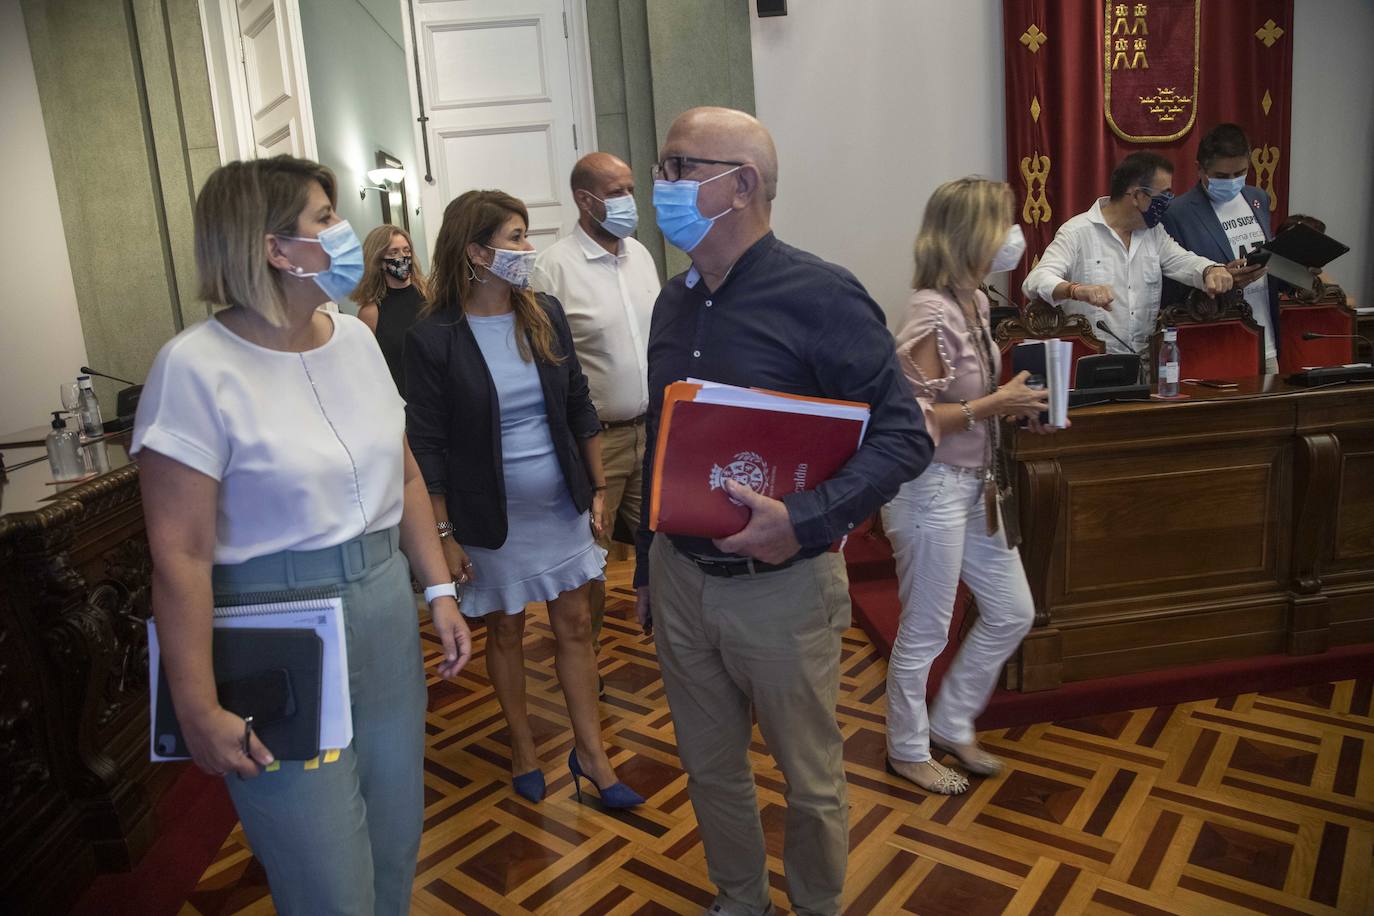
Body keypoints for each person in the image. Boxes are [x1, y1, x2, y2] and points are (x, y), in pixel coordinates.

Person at [133, 155, 472, 916]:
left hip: (382, 605)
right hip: (273, 621)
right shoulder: (194, 368)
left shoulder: (355, 340)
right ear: (274, 248)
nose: (345, 231)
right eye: (325, 218)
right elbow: (179, 556)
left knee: (395, 840)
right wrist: (196, 704)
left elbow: (404, 476)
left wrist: (439, 590)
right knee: (326, 879)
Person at [634, 107, 932, 916]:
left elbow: (904, 437)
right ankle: (740, 899)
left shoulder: (821, 296)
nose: (660, 183)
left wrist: (802, 519)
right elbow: (664, 440)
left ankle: (816, 906)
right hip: (681, 577)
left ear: (742, 185)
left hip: (784, 590)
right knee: (709, 768)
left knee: (810, 778)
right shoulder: (672, 304)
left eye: (678, 166)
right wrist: (647, 568)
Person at [405, 189, 643, 808]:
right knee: (505, 631)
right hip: (488, 516)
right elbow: (426, 446)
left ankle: (592, 755)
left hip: (560, 502)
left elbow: (578, 403)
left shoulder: (544, 312)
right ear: (477, 252)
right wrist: (444, 535)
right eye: (515, 237)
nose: (527, 248)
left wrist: (597, 488)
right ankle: (523, 747)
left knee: (575, 626)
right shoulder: (434, 336)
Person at [884, 178, 1054, 796]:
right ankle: (906, 748)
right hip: (928, 487)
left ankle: (951, 721)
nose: (1015, 236)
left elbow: (973, 401)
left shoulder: (976, 302)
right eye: (1003, 223)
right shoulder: (930, 312)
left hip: (977, 484)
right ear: (972, 234)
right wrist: (994, 404)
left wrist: (1013, 410)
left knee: (1013, 611)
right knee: (926, 630)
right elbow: (909, 420)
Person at [531, 152, 662, 671]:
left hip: (653, 431)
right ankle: (588, 675)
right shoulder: (552, 268)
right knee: (589, 567)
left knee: (667, 549)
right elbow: (544, 367)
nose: (630, 200)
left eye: (631, 188)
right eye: (616, 192)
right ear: (584, 201)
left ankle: (680, 656)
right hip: (596, 442)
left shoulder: (641, 255)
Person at [1022, 151, 1234, 358]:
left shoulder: (1153, 233)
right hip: (1091, 362)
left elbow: (1182, 261)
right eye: (1164, 195)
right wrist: (1076, 290)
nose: (1168, 201)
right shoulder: (1077, 232)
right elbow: (1035, 280)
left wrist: (1210, 269)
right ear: (1138, 196)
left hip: (1144, 363)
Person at [1160, 124, 1281, 372]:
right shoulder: (1177, 213)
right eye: (1222, 176)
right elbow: (1170, 289)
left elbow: (1270, 263)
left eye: (1240, 173)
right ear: (1200, 169)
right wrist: (1221, 279)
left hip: (1265, 338)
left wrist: (1300, 268)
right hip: (1214, 342)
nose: (1232, 182)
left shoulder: (1258, 198)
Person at [352, 224, 429, 396]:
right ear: (379, 261)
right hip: (401, 400)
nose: (402, 257)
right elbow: (366, 367)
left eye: (406, 250)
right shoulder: (370, 312)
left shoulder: (430, 295)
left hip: (439, 397)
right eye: (394, 253)